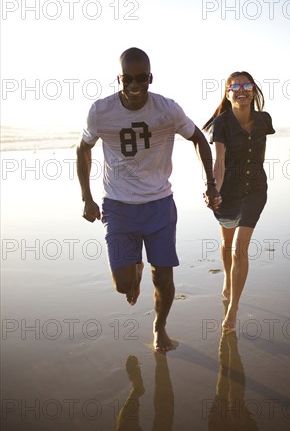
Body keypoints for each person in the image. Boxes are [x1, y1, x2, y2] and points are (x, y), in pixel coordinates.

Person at [76, 47, 220, 352]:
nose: (134, 84)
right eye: (128, 78)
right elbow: (82, 149)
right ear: (119, 77)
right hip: (118, 206)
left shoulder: (167, 109)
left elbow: (197, 139)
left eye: (141, 78)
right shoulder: (100, 112)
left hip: (159, 205)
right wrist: (86, 198)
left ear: (150, 78)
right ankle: (134, 270)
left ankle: (159, 328)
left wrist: (211, 183)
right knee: (122, 286)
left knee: (164, 278)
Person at [202, 71, 275, 330]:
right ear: (228, 92)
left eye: (246, 85)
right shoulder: (221, 124)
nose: (241, 90)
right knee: (226, 241)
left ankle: (233, 309)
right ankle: (227, 278)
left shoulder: (264, 120)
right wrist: (214, 190)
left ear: (253, 90)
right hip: (228, 191)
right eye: (235, 86)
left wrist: (254, 179)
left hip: (255, 190)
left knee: (239, 249)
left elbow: (260, 157)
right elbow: (219, 162)